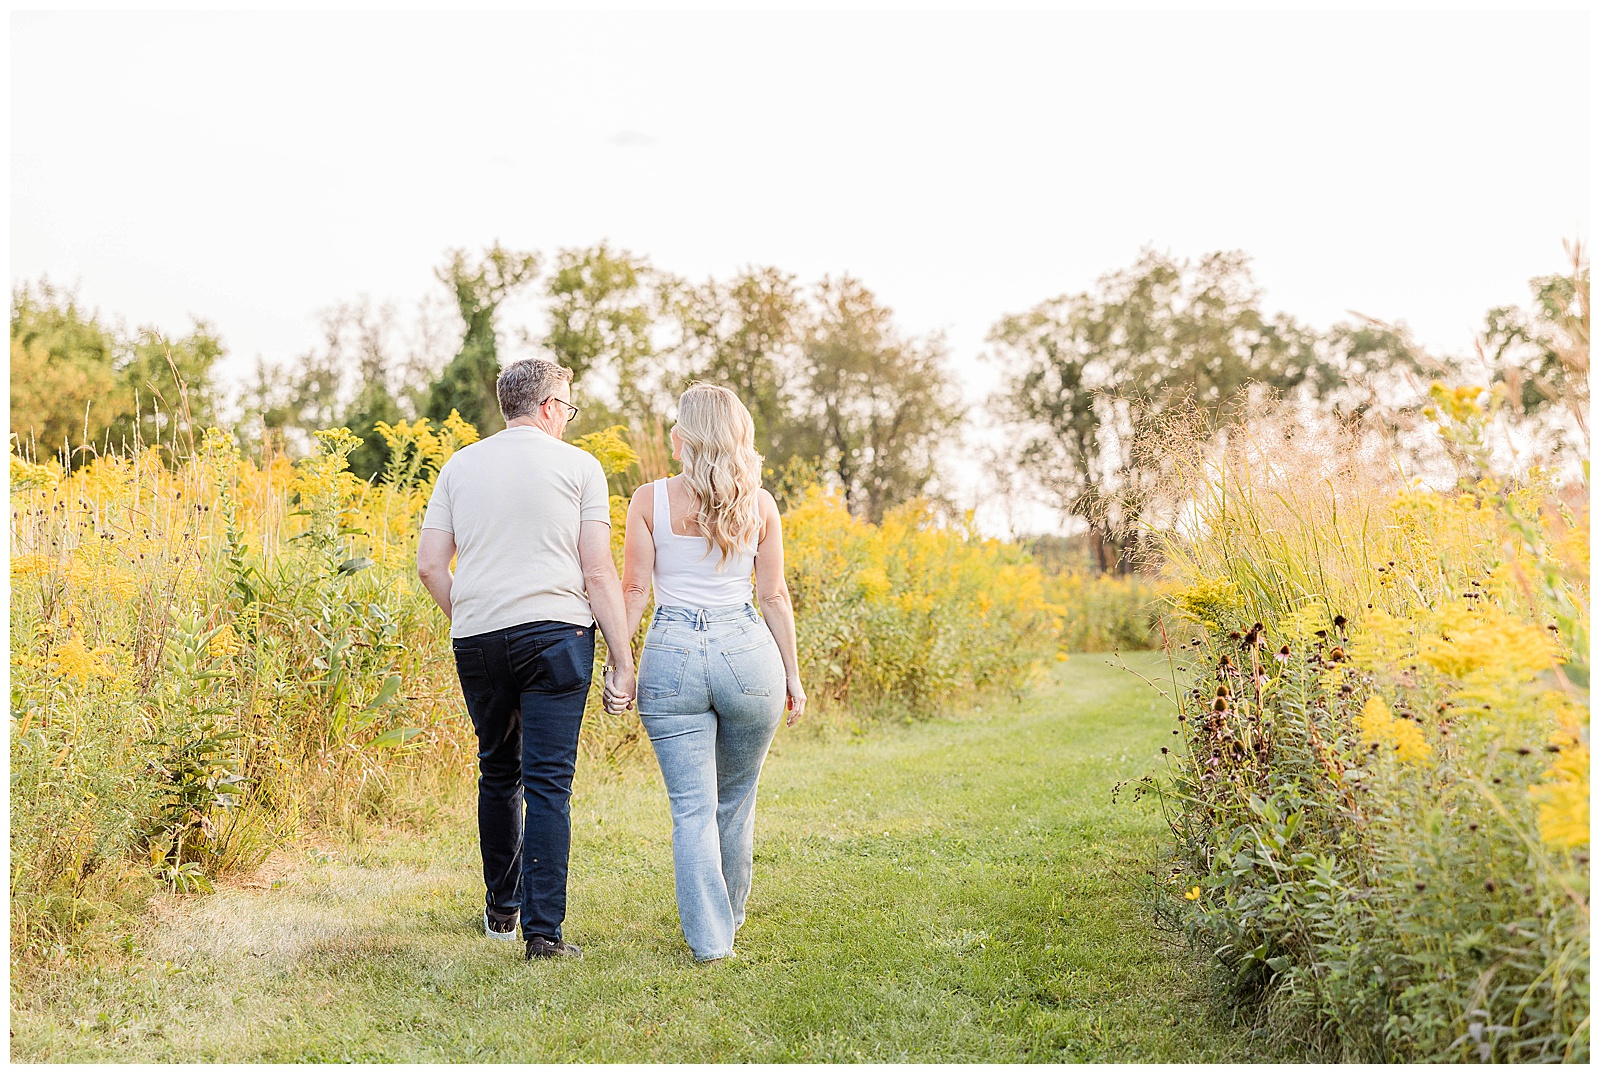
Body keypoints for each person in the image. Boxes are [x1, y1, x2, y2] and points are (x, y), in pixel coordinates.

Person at [416, 358, 635, 961]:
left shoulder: (460, 465)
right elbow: (597, 570)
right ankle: (544, 934)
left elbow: (431, 565)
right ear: (545, 406)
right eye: (565, 406)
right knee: (547, 783)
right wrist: (622, 658)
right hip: (556, 635)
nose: (566, 418)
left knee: (497, 771)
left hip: (479, 636)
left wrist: (472, 613)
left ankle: (500, 912)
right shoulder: (580, 468)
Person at [607, 382, 806, 963]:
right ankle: (729, 918)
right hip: (748, 653)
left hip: (672, 656)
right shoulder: (760, 503)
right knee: (736, 799)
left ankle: (711, 941)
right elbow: (773, 596)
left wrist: (622, 666)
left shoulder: (648, 500)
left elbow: (635, 588)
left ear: (680, 438)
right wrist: (792, 677)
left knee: (692, 808)